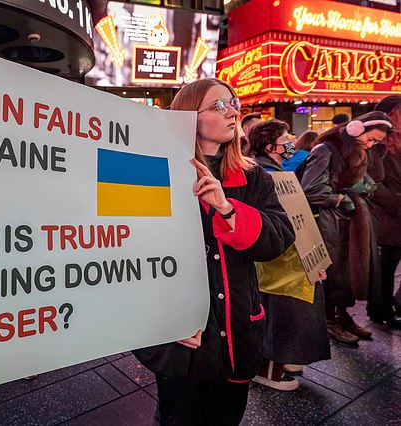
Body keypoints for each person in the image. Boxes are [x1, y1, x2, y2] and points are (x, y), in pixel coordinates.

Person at [133, 78, 295, 425]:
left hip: (237, 332)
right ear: (189, 116)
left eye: (233, 102)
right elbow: (130, 254)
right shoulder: (152, 170)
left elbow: (279, 239)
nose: (233, 110)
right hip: (181, 338)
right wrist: (161, 319)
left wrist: (228, 210)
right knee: (178, 417)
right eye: (219, 105)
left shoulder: (254, 178)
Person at [248, 120, 330, 391]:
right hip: (280, 262)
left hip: (288, 257)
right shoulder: (263, 173)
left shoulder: (274, 169)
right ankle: (271, 366)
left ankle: (287, 357)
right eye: (285, 140)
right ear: (270, 146)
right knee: (282, 313)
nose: (290, 145)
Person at [300, 111, 393, 344]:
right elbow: (310, 188)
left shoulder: (357, 149)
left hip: (351, 220)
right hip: (331, 221)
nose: (372, 145)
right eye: (371, 139)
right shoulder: (325, 150)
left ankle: (343, 315)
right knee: (335, 273)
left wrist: (366, 189)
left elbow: (356, 180)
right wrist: (340, 200)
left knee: (349, 272)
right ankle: (329, 320)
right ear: (356, 129)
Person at [367, 95, 401, 329]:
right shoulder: (377, 144)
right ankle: (381, 309)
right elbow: (372, 183)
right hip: (388, 215)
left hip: (395, 213)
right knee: (386, 267)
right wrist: (396, 202)